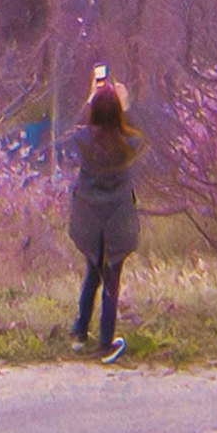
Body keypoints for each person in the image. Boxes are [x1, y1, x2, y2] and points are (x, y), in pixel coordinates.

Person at [67, 75, 142, 356]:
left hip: (89, 220)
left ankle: (79, 332)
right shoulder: (128, 144)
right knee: (111, 281)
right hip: (117, 221)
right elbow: (138, 133)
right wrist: (125, 107)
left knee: (92, 273)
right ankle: (106, 342)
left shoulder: (84, 141)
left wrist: (90, 100)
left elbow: (75, 129)